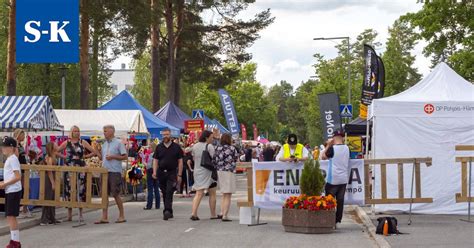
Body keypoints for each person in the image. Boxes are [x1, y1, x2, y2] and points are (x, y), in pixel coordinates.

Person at [57, 125, 98, 223]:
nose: (77, 133)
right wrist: (65, 158)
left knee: (81, 189)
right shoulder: (66, 142)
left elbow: (94, 151)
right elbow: (56, 151)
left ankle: (80, 214)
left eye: (78, 131)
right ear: (71, 132)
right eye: (75, 131)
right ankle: (69, 215)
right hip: (69, 168)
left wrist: (85, 156)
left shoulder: (82, 142)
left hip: (80, 168)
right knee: (69, 190)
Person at [95, 125, 127, 224]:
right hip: (105, 171)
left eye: (105, 131)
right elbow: (101, 158)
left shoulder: (119, 143)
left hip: (114, 172)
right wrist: (96, 151)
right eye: (103, 131)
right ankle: (104, 217)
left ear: (111, 132)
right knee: (104, 195)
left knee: (115, 194)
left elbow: (125, 156)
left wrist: (113, 156)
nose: (104, 133)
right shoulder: (104, 144)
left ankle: (121, 215)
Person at [152, 128, 183, 220]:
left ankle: (167, 211)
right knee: (164, 192)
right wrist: (154, 171)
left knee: (170, 190)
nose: (165, 136)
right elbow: (155, 160)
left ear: (170, 135)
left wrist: (180, 174)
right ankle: (169, 210)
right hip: (161, 172)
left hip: (172, 172)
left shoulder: (176, 147)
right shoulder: (159, 147)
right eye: (164, 135)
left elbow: (180, 161)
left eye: (167, 134)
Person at [321, 130, 350, 224]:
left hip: (333, 178)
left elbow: (323, 157)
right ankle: (338, 219)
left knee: (329, 199)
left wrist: (329, 145)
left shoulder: (332, 148)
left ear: (333, 138)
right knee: (340, 200)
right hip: (343, 178)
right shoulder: (347, 148)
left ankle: (329, 219)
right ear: (343, 138)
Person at [190, 130, 218, 221]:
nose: (212, 139)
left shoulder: (195, 146)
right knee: (212, 193)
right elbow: (214, 159)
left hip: (197, 171)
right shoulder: (209, 146)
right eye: (211, 137)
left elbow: (194, 158)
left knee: (198, 193)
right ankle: (213, 214)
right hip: (208, 172)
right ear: (207, 138)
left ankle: (194, 213)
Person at [0, 136, 23, 248]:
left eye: (5, 146)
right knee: (10, 216)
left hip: (14, 190)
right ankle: (14, 240)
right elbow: (11, 175)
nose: (2, 148)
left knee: (11, 216)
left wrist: (4, 184)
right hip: (10, 190)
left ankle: (16, 242)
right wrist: (4, 183)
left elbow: (18, 176)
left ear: (11, 147)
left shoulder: (13, 159)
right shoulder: (10, 159)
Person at [213, 133, 239, 221]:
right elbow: (236, 158)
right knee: (228, 194)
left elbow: (214, 160)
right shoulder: (232, 148)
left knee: (224, 193)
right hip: (229, 171)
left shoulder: (217, 148)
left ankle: (221, 212)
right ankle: (225, 215)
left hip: (220, 171)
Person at [12, 129, 32, 219]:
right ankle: (21, 209)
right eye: (22, 135)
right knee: (22, 189)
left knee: (26, 189)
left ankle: (24, 208)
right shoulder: (14, 144)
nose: (24, 137)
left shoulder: (20, 144)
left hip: (23, 169)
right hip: (18, 169)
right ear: (18, 135)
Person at [40, 142, 60, 226]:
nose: (57, 145)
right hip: (49, 179)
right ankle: (44, 219)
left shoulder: (54, 156)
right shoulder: (49, 158)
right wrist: (52, 183)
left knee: (52, 198)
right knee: (48, 197)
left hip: (53, 178)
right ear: (52, 147)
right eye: (55, 144)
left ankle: (52, 217)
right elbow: (49, 171)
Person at [144, 143, 160, 210]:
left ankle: (149, 205)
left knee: (150, 189)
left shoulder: (151, 155)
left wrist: (145, 163)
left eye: (149, 147)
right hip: (157, 170)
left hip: (150, 171)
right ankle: (157, 205)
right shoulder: (158, 154)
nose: (148, 149)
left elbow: (149, 165)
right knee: (156, 188)